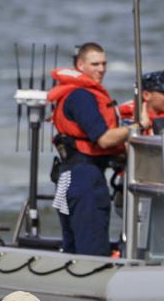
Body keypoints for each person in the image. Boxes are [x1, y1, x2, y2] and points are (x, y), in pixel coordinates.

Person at [48, 42, 130, 256]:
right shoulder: (82, 96)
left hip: (66, 176)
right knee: (91, 250)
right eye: (95, 64)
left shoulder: (73, 94)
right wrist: (137, 127)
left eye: (104, 64)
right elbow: (103, 139)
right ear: (80, 65)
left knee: (73, 246)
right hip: (84, 178)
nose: (101, 69)